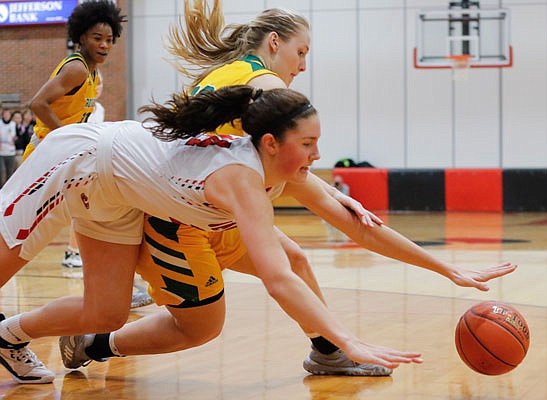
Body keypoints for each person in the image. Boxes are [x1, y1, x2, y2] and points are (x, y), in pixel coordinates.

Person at [0, 86, 516, 385]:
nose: (316, 155)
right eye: (308, 143)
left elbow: (363, 228)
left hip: (119, 198)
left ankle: (9, 335)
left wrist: (447, 269)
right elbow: (277, 279)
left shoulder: (281, 168)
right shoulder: (241, 179)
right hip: (78, 161)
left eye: (318, 142)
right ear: (271, 143)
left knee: (105, 314)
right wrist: (347, 338)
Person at [136, 0, 389, 377]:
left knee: (294, 260)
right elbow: (291, 152)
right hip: (178, 218)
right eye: (300, 52)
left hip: (213, 210)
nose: (302, 66)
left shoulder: (230, 74)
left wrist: (334, 194)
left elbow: (280, 172)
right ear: (274, 42)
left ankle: (328, 351)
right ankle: (88, 341)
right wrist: (334, 194)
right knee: (198, 326)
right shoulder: (261, 83)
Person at [25, 0, 126, 269]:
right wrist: (67, 138)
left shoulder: (93, 73)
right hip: (43, 157)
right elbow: (37, 103)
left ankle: (106, 275)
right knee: (20, 232)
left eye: (109, 39)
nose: (104, 45)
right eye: (97, 38)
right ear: (82, 37)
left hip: (63, 159)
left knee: (96, 210)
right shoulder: (77, 68)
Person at [0, 108, 17, 188]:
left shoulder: (13, 124)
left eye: (8, 114)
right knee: (2, 171)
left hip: (11, 151)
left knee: (10, 172)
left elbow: (16, 136)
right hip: (1, 152)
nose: (6, 116)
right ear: (3, 115)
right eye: (5, 114)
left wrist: (14, 139)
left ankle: (9, 189)